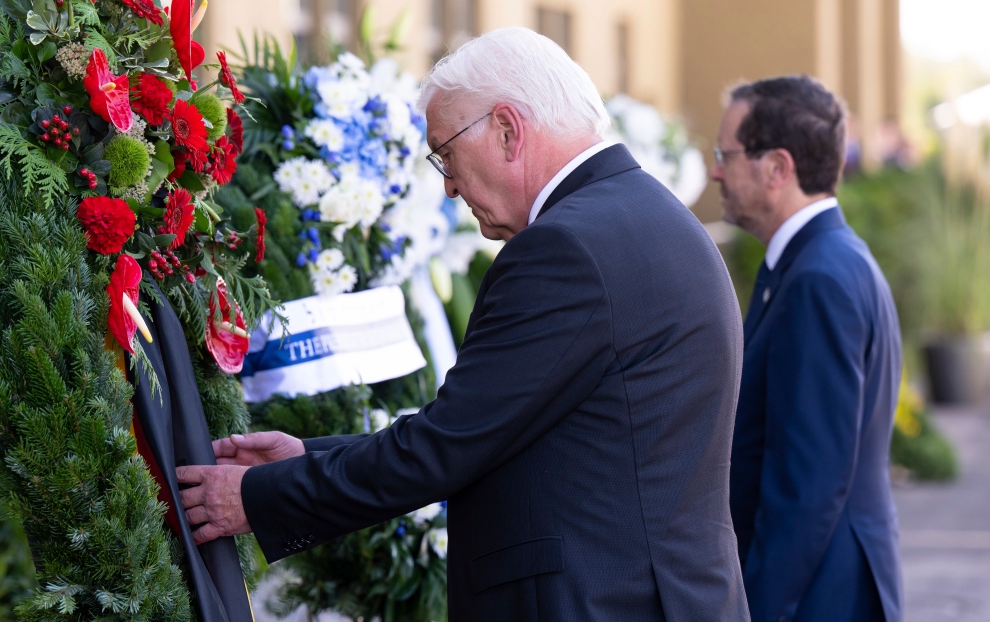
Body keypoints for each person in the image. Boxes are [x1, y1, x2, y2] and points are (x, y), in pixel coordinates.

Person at [177, 27, 749, 621]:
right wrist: (307, 460)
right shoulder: (647, 216)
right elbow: (502, 431)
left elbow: (449, 444)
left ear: (507, 128)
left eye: (446, 154)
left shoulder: (566, 248)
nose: (447, 186)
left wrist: (259, 497)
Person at [712, 75, 902, 622]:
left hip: (821, 595)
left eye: (726, 154)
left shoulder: (818, 277)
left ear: (777, 168)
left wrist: (758, 609)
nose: (715, 170)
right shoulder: (824, 261)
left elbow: (808, 483)